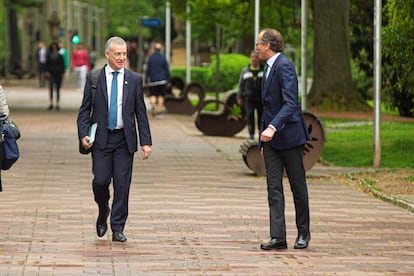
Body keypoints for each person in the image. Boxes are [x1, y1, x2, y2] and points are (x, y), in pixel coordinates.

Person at [77, 36, 152, 243]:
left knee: (122, 184)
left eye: (124, 54)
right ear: (107, 54)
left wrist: (146, 142)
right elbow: (85, 111)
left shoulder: (134, 80)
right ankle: (103, 209)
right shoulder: (94, 78)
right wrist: (84, 133)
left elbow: (141, 113)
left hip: (123, 140)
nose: (121, 58)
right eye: (117, 54)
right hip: (101, 139)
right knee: (100, 181)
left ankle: (117, 227)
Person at [255, 28, 311, 250]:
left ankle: (303, 234)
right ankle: (278, 237)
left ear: (267, 45)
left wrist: (272, 128)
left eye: (258, 43)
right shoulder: (267, 68)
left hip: (289, 137)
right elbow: (267, 107)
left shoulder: (284, 66)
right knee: (273, 188)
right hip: (271, 141)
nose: (256, 47)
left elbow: (290, 104)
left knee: (298, 187)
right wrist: (263, 140)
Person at [237, 50, 264, 140]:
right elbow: (241, 85)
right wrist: (239, 97)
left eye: (256, 57)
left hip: (261, 98)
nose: (254, 59)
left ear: (259, 58)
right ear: (250, 58)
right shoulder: (245, 71)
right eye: (252, 57)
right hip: (249, 98)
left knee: (261, 116)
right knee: (250, 115)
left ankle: (261, 133)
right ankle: (251, 134)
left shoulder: (264, 70)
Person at [145, 42, 170, 118]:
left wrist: (146, 79)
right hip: (162, 79)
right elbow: (166, 70)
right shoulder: (163, 58)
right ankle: (159, 112)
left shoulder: (150, 58)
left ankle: (153, 106)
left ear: (154, 49)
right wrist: (168, 80)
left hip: (153, 80)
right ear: (160, 50)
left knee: (152, 95)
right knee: (161, 96)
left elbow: (147, 70)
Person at [45, 42, 65, 110]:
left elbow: (62, 65)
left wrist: (62, 73)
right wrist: (47, 71)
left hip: (58, 73)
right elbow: (47, 64)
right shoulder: (49, 55)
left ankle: (57, 103)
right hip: (51, 73)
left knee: (57, 88)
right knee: (51, 88)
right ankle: (51, 103)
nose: (54, 49)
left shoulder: (60, 55)